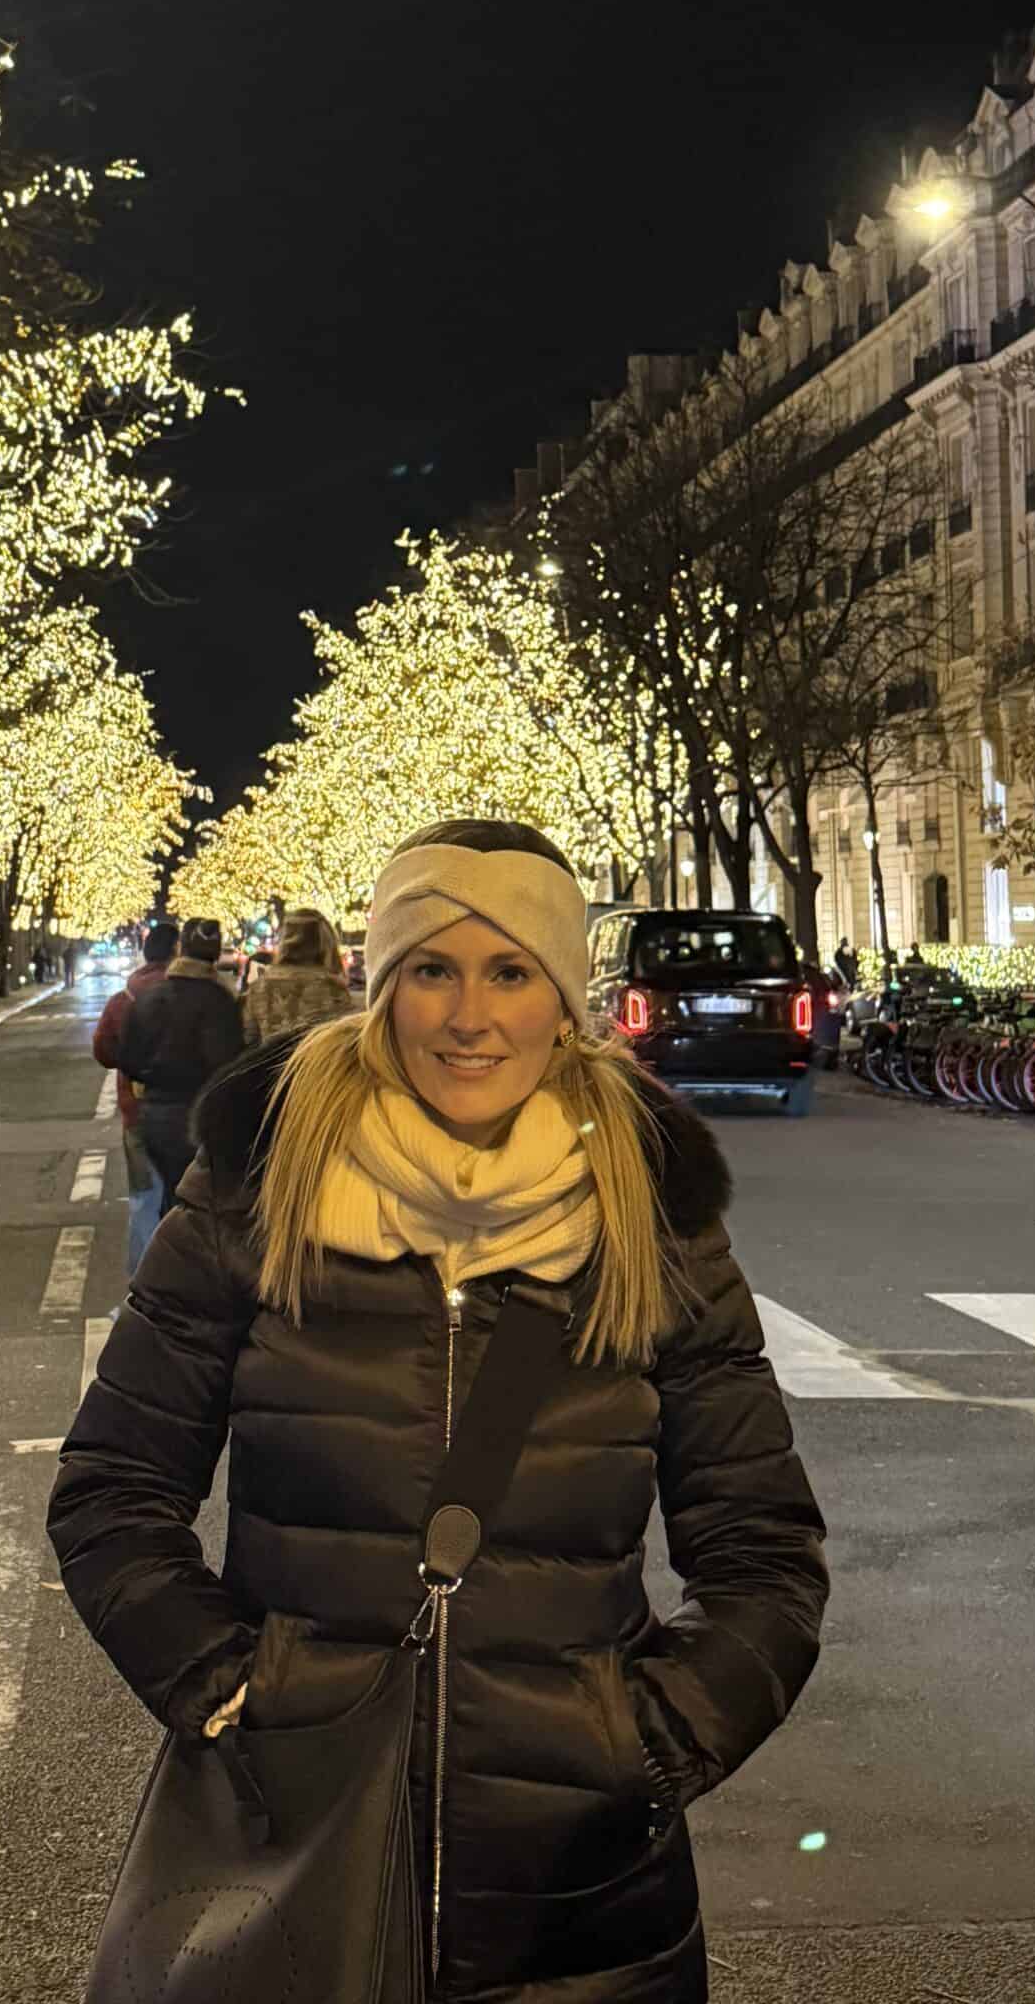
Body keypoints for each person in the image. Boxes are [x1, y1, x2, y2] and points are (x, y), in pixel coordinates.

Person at [51, 819, 829, 2004]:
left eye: (511, 970)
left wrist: (649, 1740)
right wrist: (230, 1686)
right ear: (384, 984)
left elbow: (764, 1549)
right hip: (295, 1849)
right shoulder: (262, 1184)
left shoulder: (649, 1210)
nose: (472, 1017)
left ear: (562, 996)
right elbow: (112, 1489)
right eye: (433, 969)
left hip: (579, 1902)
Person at [116, 916, 246, 1223]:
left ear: (181, 949)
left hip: (155, 1113)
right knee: (199, 1205)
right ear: (215, 954)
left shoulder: (151, 997)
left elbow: (128, 1058)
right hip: (200, 1116)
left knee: (172, 1198)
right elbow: (229, 1063)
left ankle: (164, 1243)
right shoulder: (220, 1000)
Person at [92, 919, 181, 1277]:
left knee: (144, 1198)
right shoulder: (188, 997)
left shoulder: (123, 1000)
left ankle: (144, 1280)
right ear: (176, 953)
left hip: (137, 1110)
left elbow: (102, 1051)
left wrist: (130, 1065)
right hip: (182, 1111)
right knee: (182, 1197)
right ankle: (179, 1273)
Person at [241, 907, 351, 1048]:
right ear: (324, 942)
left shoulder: (260, 987)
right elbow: (341, 1045)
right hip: (315, 1061)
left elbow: (249, 1041)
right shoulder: (332, 989)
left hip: (271, 1061)